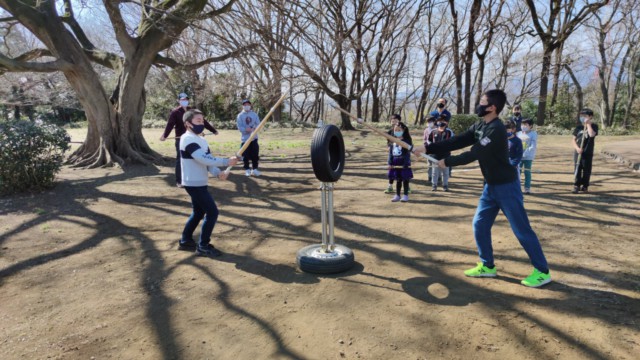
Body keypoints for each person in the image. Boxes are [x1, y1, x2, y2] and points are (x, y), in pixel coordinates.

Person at [412, 89, 551, 288]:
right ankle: (487, 266)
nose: (479, 104)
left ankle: (542, 271)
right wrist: (428, 148)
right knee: (480, 224)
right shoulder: (480, 124)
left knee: (521, 229)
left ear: (492, 107)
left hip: (507, 186)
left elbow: (474, 153)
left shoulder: (496, 130)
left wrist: (447, 161)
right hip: (490, 186)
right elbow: (459, 140)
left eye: (482, 101)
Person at [178, 109, 238, 257]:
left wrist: (218, 173)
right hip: (192, 182)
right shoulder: (187, 139)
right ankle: (203, 245)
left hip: (200, 181)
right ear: (187, 123)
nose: (202, 123)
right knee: (212, 212)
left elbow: (208, 161)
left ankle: (185, 241)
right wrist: (225, 161)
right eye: (198, 121)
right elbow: (201, 158)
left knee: (198, 212)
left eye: (202, 121)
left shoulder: (202, 140)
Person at [160, 92, 218, 187]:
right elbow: (170, 124)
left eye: (186, 99)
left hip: (194, 138)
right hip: (181, 140)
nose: (184, 101)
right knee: (180, 160)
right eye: (182, 100)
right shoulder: (175, 112)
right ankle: (179, 181)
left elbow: (203, 121)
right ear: (179, 101)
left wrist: (213, 130)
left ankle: (193, 179)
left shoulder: (192, 111)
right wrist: (165, 135)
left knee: (196, 158)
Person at [572, 108, 598, 194]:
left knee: (586, 170)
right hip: (578, 152)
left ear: (590, 117)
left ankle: (585, 186)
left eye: (585, 116)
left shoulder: (594, 126)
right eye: (581, 116)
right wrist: (577, 148)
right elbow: (573, 140)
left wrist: (588, 124)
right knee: (577, 168)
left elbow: (591, 134)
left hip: (587, 152)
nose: (583, 117)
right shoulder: (578, 127)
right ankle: (576, 185)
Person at [388, 122, 413, 202]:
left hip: (404, 162)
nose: (397, 131)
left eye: (399, 130)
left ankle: (405, 195)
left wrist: (405, 163)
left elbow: (407, 152)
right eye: (395, 130)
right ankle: (397, 195)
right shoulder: (393, 141)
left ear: (403, 130)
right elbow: (391, 153)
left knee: (405, 179)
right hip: (395, 162)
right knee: (398, 180)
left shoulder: (407, 141)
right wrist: (390, 163)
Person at [236, 99, 262, 176]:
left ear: (250, 106)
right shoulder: (240, 116)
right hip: (245, 139)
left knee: (255, 155)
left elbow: (259, 124)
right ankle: (247, 169)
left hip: (254, 138)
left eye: (248, 104)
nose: (247, 106)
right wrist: (246, 129)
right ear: (243, 106)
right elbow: (239, 127)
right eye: (245, 105)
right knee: (245, 155)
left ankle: (254, 169)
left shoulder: (254, 114)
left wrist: (254, 128)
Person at [428, 118, 453, 191]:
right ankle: (434, 185)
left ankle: (445, 185)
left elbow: (451, 141)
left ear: (445, 127)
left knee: (445, 172)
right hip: (435, 155)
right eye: (439, 127)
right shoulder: (433, 132)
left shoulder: (449, 132)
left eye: (442, 127)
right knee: (434, 172)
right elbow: (429, 141)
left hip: (445, 155)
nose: (441, 129)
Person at [517, 118, 537, 194]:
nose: (523, 126)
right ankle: (517, 187)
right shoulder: (519, 133)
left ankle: (527, 188)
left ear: (530, 126)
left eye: (525, 124)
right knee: (518, 172)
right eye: (522, 124)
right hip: (519, 157)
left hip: (528, 157)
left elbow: (533, 146)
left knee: (527, 172)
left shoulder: (533, 134)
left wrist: (525, 153)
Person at [385, 114, 402, 193]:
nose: (393, 121)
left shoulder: (403, 130)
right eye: (392, 120)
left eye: (395, 120)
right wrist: (388, 147)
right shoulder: (390, 131)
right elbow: (388, 142)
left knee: (403, 170)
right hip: (392, 153)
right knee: (391, 169)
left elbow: (408, 141)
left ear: (399, 121)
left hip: (402, 154)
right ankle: (390, 186)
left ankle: (407, 187)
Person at [422, 116, 437, 184]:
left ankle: (438, 178)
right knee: (429, 164)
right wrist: (426, 146)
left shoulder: (438, 129)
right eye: (427, 122)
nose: (428, 123)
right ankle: (430, 177)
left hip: (436, 149)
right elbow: (424, 139)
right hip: (428, 149)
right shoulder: (426, 130)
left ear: (434, 122)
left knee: (437, 164)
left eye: (430, 122)